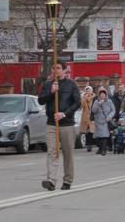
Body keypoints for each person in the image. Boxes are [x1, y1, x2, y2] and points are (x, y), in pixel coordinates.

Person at [38, 62, 81, 191]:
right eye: (53, 68)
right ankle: (51, 180)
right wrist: (51, 92)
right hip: (52, 123)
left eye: (58, 68)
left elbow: (77, 103)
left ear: (64, 70)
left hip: (67, 124)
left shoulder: (71, 84)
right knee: (52, 152)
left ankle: (67, 180)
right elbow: (40, 100)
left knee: (67, 153)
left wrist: (64, 114)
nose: (55, 70)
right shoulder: (48, 84)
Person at [91, 88, 116, 155]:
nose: (102, 96)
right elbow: (93, 111)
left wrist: (109, 117)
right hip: (98, 122)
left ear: (106, 95)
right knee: (97, 138)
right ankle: (100, 148)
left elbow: (113, 110)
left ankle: (103, 150)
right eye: (101, 95)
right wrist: (98, 104)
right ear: (99, 95)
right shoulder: (96, 101)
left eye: (103, 95)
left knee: (104, 136)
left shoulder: (109, 101)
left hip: (105, 121)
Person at [79, 86, 95, 152]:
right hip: (85, 117)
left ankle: (95, 143)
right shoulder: (83, 97)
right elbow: (81, 106)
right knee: (87, 131)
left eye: (89, 90)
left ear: (92, 91)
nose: (88, 92)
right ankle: (89, 145)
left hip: (93, 116)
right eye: (87, 90)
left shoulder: (94, 97)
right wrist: (84, 98)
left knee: (92, 131)